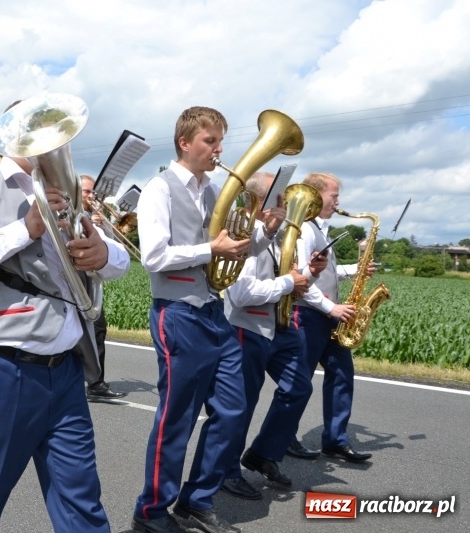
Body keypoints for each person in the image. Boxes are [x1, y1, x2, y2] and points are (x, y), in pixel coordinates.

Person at [0, 100, 130, 533]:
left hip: (66, 370)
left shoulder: (71, 191)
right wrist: (27, 228)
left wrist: (102, 254)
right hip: (1, 366)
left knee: (82, 502)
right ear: (11, 135)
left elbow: (121, 261)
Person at [132, 106, 283, 533]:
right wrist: (210, 250)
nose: (218, 150)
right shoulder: (158, 190)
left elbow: (236, 247)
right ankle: (151, 510)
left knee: (233, 410)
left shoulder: (215, 191)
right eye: (209, 141)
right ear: (185, 143)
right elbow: (154, 257)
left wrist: (264, 233)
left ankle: (196, 499)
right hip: (177, 312)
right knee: (176, 417)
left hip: (214, 311)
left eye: (219, 142)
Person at [222, 172, 326, 500]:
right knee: (242, 403)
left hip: (278, 327)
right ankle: (225, 471)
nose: (285, 206)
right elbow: (241, 293)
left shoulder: (279, 236)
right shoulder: (243, 235)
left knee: (298, 386)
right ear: (261, 203)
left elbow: (290, 281)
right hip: (247, 328)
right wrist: (288, 284)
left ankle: (263, 453)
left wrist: (310, 271)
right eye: (279, 199)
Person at [286, 171, 376, 463]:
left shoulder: (323, 230)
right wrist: (331, 308)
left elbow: (325, 272)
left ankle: (336, 440)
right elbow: (299, 278)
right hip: (309, 314)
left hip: (328, 316)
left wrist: (355, 269)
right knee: (299, 382)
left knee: (341, 374)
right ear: (316, 195)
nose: (338, 201)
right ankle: (285, 437)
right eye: (334, 195)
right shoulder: (304, 230)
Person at [80, 174, 126, 401]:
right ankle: (85, 380)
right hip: (75, 284)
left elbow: (115, 248)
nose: (92, 197)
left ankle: (96, 382)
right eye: (87, 192)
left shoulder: (95, 218)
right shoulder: (71, 216)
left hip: (92, 285)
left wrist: (103, 228)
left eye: (93, 193)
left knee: (98, 330)